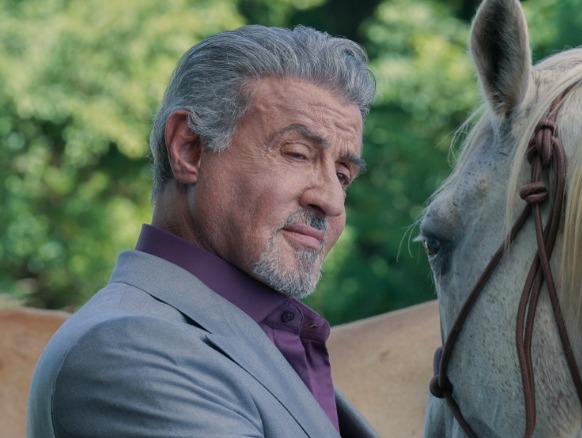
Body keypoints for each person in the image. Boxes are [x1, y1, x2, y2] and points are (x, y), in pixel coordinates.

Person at [27, 24, 377, 437]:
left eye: (342, 174)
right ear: (189, 149)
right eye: (298, 154)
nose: (332, 201)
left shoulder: (257, 340)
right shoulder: (132, 348)